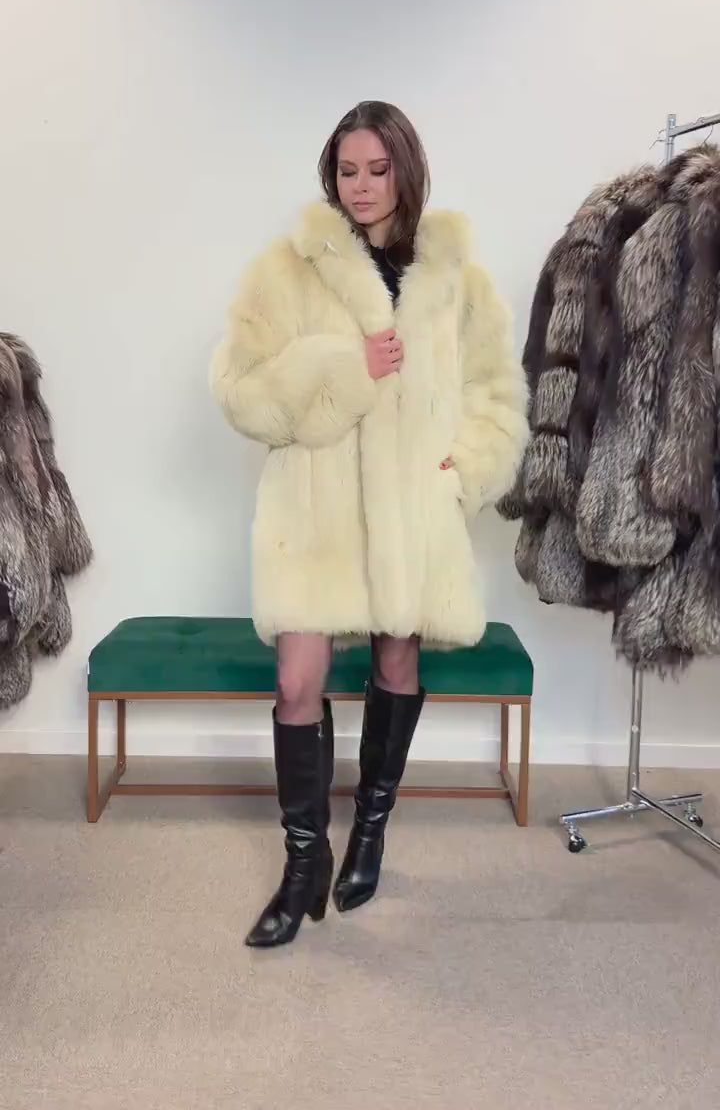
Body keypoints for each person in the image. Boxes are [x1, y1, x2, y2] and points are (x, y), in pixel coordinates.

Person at [209, 101, 528, 948]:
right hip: (312, 508)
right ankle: (302, 864)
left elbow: (497, 393)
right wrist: (341, 366)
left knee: (396, 659)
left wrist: (462, 472)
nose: (361, 187)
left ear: (405, 171)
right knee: (297, 680)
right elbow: (241, 392)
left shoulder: (455, 278)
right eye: (347, 171)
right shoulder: (288, 269)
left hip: (406, 508)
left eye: (377, 170)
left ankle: (370, 832)